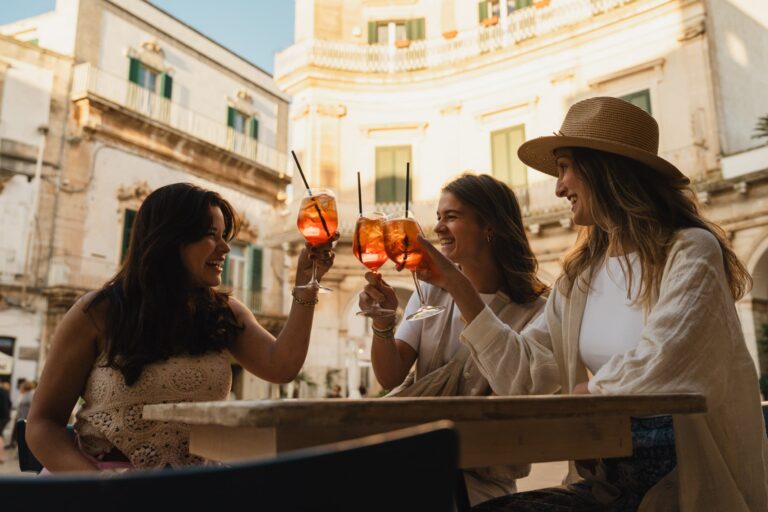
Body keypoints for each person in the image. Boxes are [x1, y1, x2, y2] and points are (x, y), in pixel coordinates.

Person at [411, 97, 768, 511]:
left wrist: (587, 393)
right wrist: (456, 284)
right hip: (607, 487)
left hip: (683, 486)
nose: (559, 187)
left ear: (604, 170)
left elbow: (668, 360)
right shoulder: (581, 275)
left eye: (564, 168)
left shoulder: (690, 250)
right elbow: (523, 375)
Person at [27, 183, 337, 473]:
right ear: (169, 239)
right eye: (211, 235)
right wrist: (105, 491)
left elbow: (281, 367)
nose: (225, 248)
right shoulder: (96, 313)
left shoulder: (224, 313)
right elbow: (42, 425)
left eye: (224, 235)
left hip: (199, 490)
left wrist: (306, 286)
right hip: (103, 492)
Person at [359, 173, 548, 505]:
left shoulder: (536, 311)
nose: (439, 228)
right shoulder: (430, 291)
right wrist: (383, 323)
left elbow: (519, 392)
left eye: (452, 216)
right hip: (415, 475)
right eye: (438, 217)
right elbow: (390, 376)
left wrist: (453, 280)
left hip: (484, 490)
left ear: (489, 226)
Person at [0, 379, 10, 463]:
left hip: (1, 416)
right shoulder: (5, 391)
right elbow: (10, 403)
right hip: (6, 416)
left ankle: (1, 457)